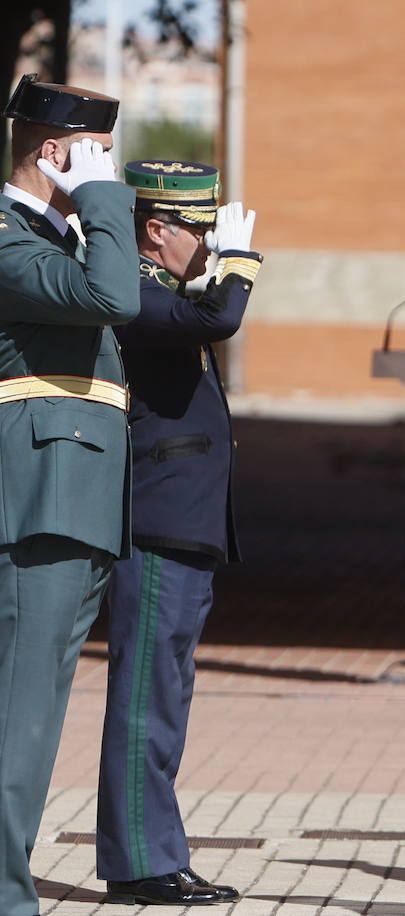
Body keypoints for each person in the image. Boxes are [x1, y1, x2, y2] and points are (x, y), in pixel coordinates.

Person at [95, 160, 261, 906]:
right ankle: (140, 865)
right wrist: (239, 264)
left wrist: (214, 266)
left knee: (166, 697)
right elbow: (217, 319)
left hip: (183, 525)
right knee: (146, 700)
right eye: (202, 229)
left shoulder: (162, 290)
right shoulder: (130, 287)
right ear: (157, 230)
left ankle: (158, 853)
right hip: (159, 522)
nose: (211, 242)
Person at [0, 74, 140, 916]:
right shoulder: (6, 237)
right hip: (39, 496)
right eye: (95, 156)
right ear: (53, 153)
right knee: (17, 720)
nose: (107, 172)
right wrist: (102, 200)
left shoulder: (55, 236)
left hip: (74, 499)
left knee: (34, 717)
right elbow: (112, 297)